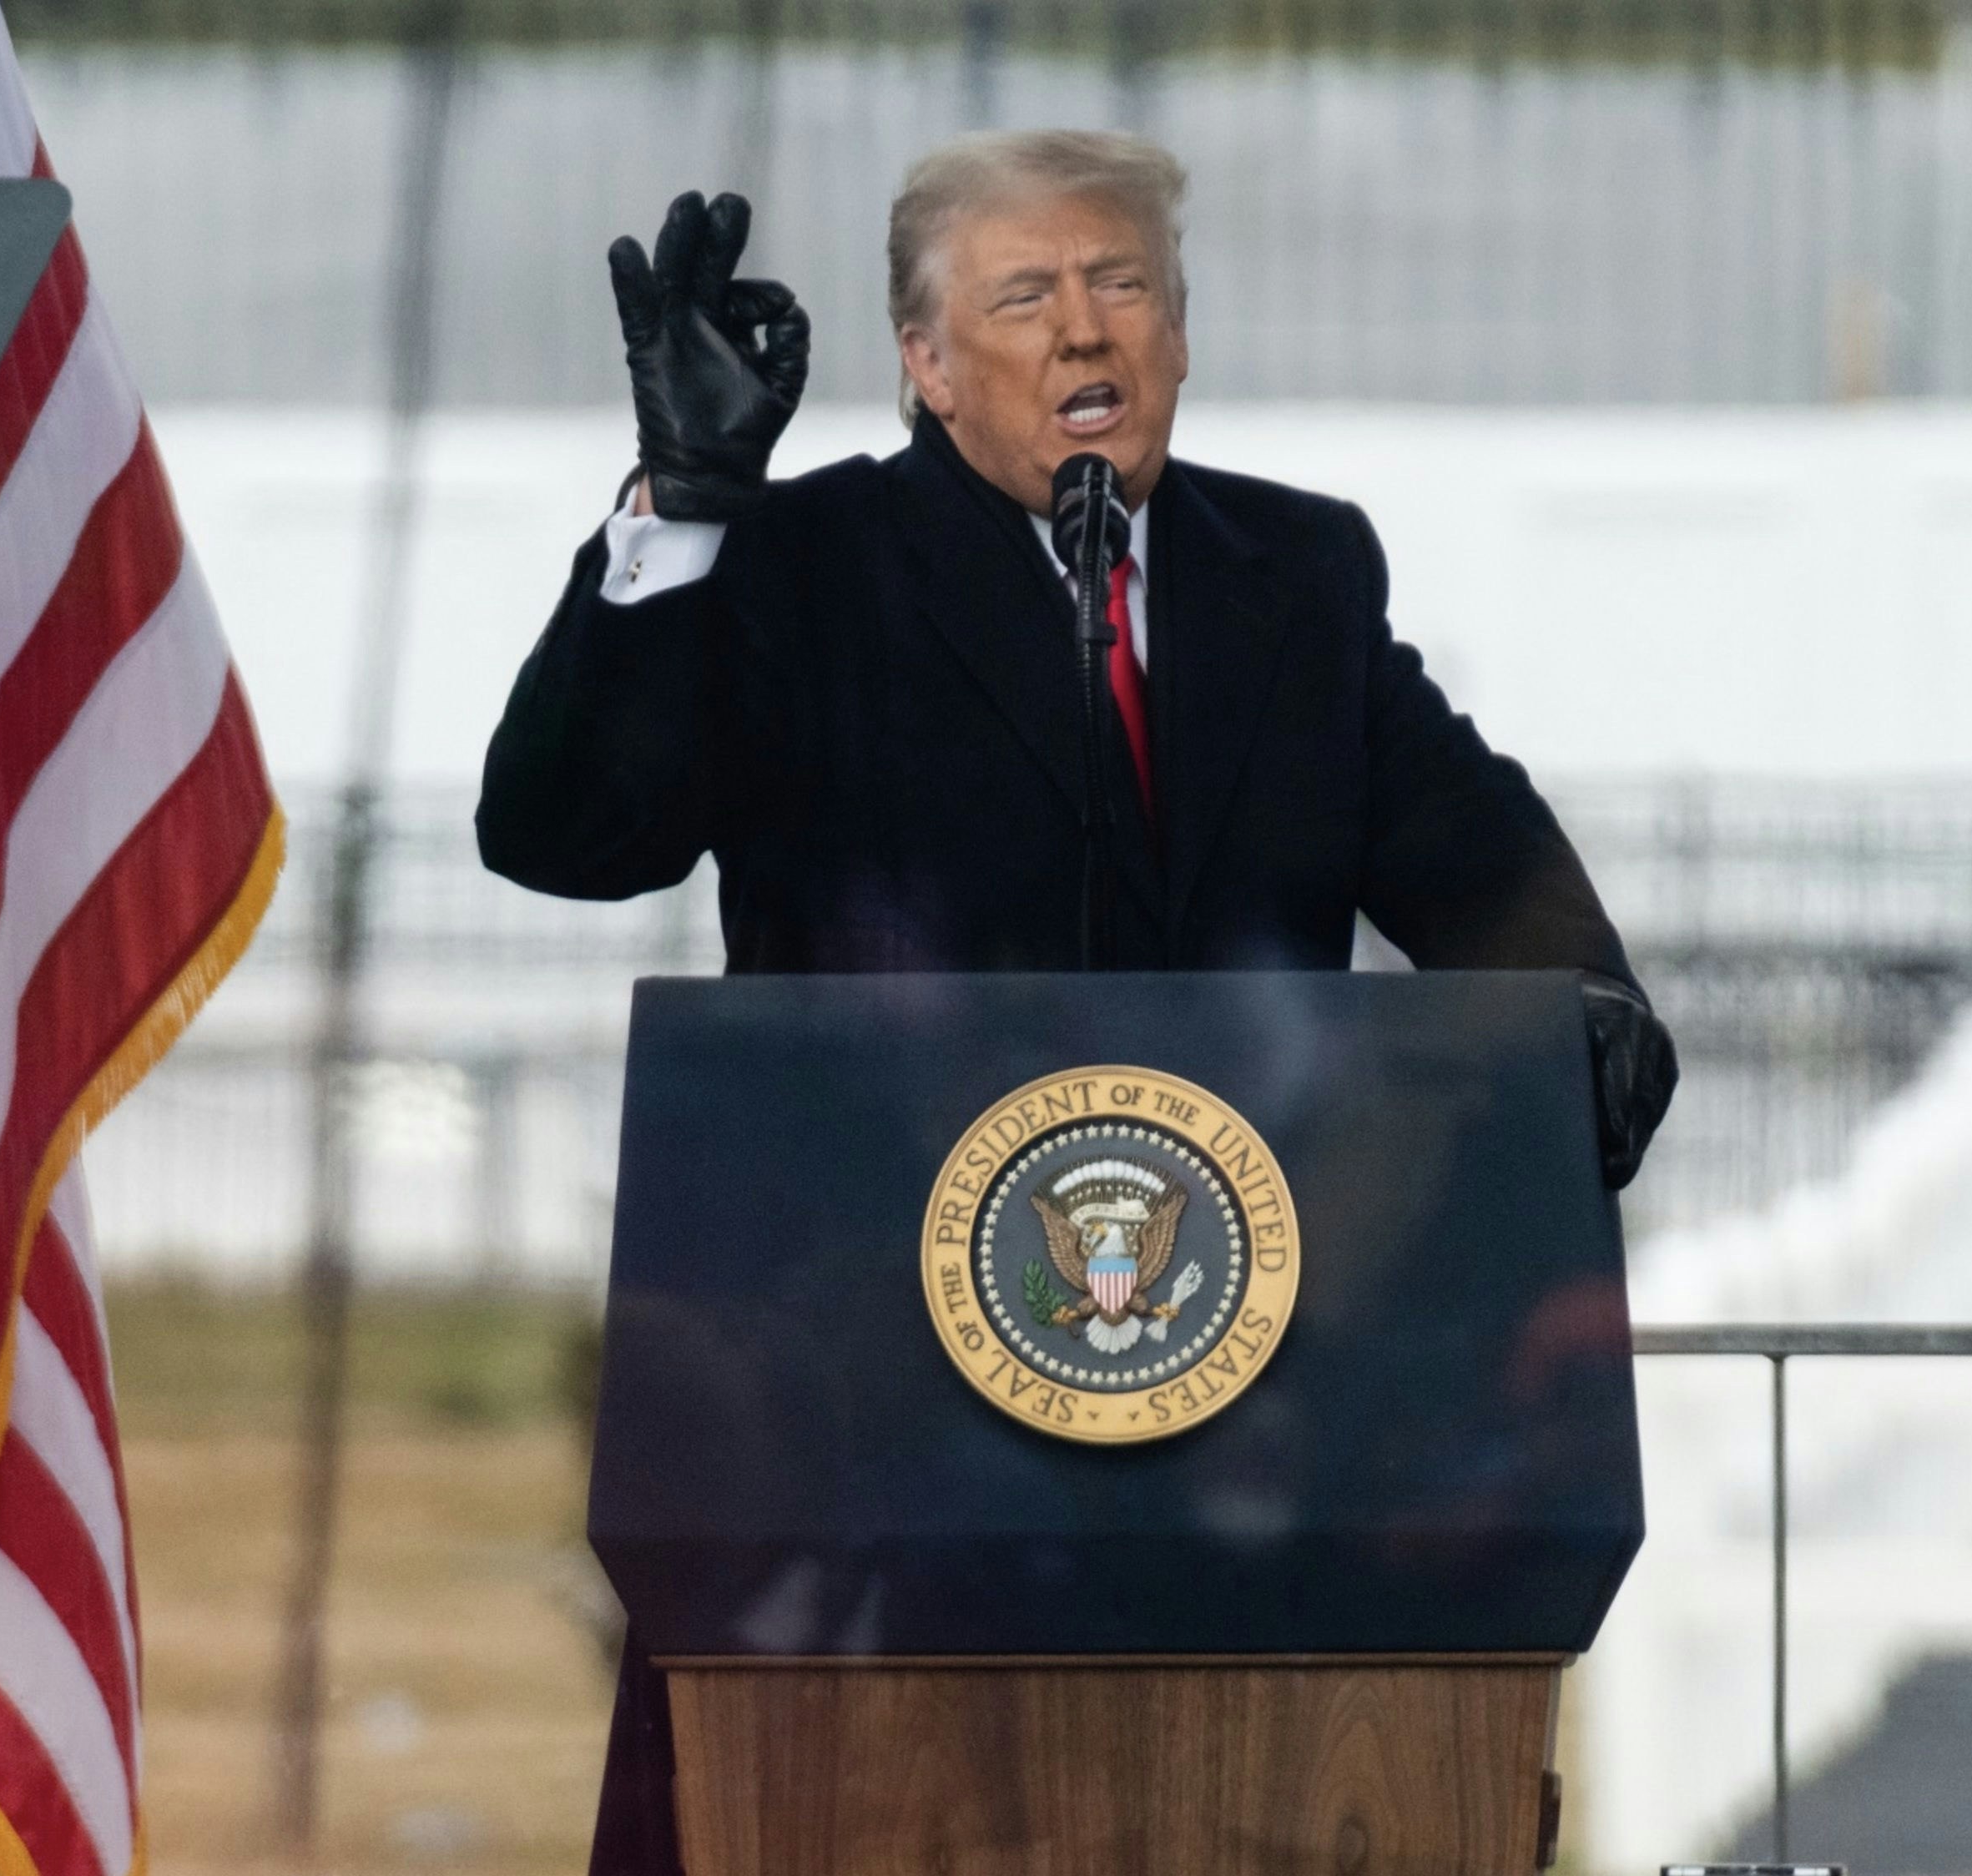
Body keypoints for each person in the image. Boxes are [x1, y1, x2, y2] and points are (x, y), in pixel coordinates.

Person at [476, 129, 1676, 1876]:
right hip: (870, 1439)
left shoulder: (1302, 580)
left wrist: (1579, 1010)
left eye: (1122, 287)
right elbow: (562, 833)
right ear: (927, 363)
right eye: (1023, 296)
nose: (1082, 333)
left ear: (1180, 337)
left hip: (1262, 1427)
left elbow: (1473, 859)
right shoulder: (802, 570)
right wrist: (682, 506)